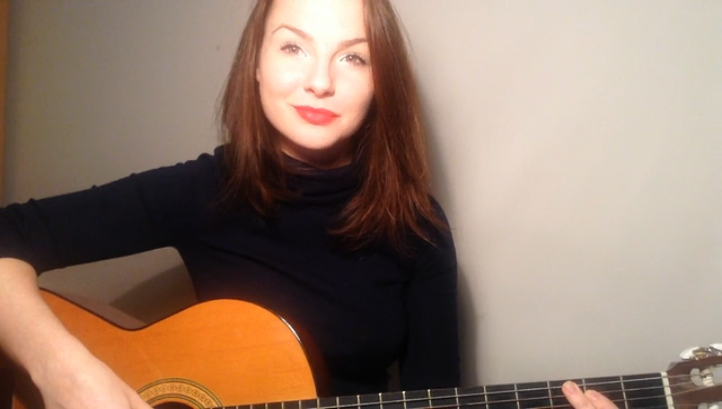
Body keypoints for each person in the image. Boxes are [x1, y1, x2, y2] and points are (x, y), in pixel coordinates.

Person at [0, 1, 618, 409]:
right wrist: (66, 374)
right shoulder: (204, 189)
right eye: (293, 47)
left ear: (381, 84)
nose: (320, 81)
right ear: (256, 66)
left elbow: (438, 395)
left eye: (353, 56)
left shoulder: (418, 229)